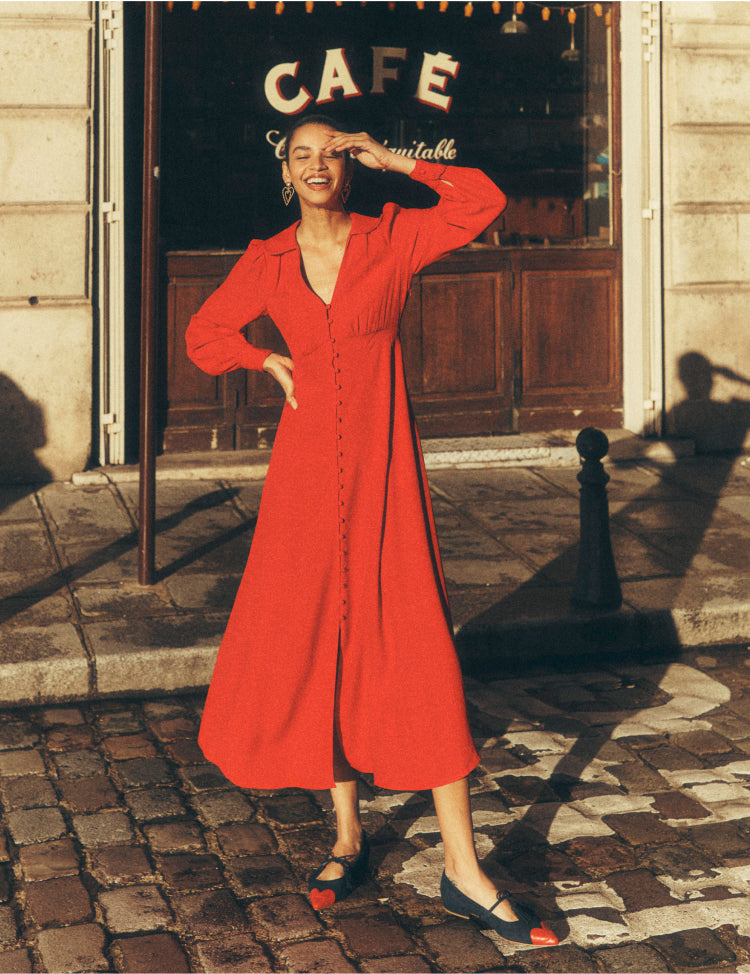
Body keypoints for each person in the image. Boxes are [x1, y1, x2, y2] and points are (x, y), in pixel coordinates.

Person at [186, 114, 558, 947]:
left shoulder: (393, 242)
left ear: (351, 168)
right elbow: (205, 333)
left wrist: (402, 161)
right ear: (286, 171)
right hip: (305, 484)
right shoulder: (267, 259)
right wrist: (263, 359)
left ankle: (462, 870)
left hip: (387, 476)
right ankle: (348, 836)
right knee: (321, 641)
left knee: (418, 645)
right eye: (303, 155)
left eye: (334, 154)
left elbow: (483, 201)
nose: (319, 166)